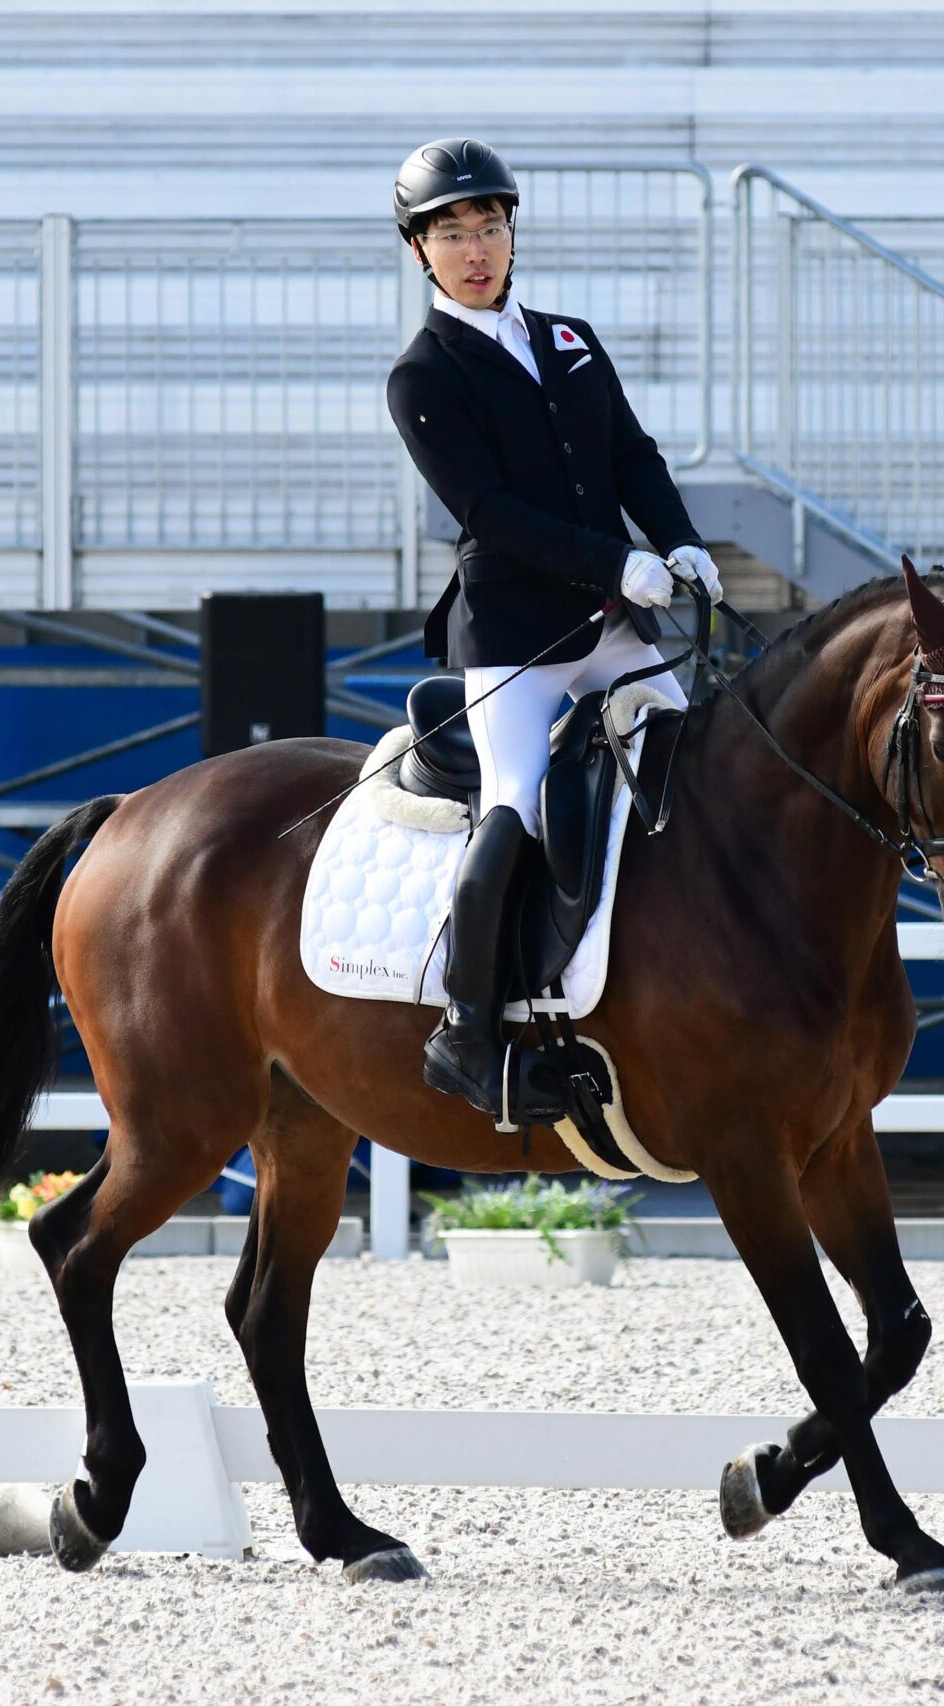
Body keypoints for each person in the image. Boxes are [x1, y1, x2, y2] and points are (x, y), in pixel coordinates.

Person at [383, 136, 723, 1119]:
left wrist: (679, 537)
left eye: (489, 225)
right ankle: (469, 1033)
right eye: (451, 233)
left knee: (694, 783)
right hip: (514, 641)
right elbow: (487, 510)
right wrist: (615, 558)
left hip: (615, 624)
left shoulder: (569, 337)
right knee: (516, 805)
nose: (476, 247)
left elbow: (630, 453)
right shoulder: (424, 373)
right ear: (420, 250)